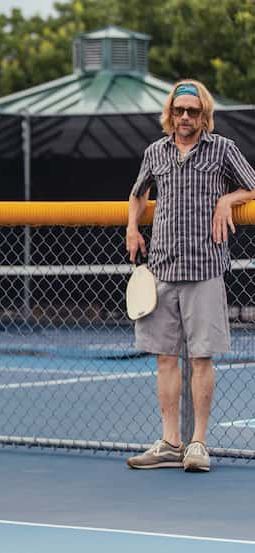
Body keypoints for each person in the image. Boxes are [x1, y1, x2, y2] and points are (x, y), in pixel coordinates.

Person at [126, 80, 255, 472]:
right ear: (171, 113)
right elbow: (138, 194)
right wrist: (133, 226)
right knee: (165, 359)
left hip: (204, 268)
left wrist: (227, 199)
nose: (185, 117)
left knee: (201, 358)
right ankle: (170, 442)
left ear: (204, 115)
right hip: (162, 267)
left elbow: (252, 186)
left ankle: (198, 443)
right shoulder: (155, 152)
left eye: (193, 111)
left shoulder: (223, 149)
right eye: (180, 111)